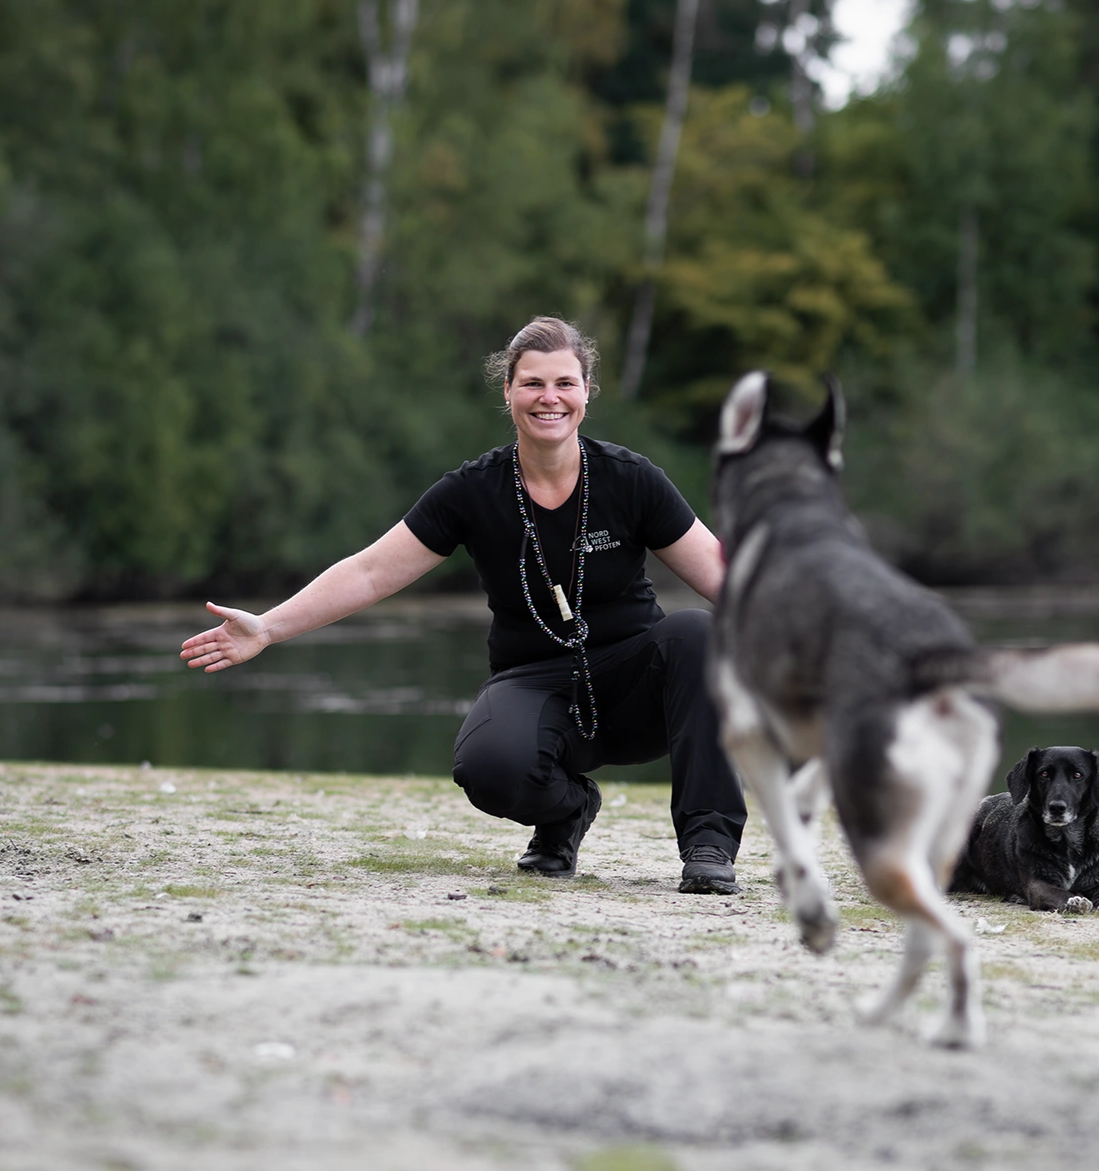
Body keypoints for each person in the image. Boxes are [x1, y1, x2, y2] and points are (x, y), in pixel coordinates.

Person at [178, 317, 747, 893]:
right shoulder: (473, 490)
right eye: (532, 384)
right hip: (534, 680)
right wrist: (268, 628)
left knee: (699, 634)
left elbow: (721, 574)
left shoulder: (632, 479)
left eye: (565, 383)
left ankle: (709, 844)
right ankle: (564, 812)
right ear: (508, 392)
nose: (549, 398)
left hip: (637, 689)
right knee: (489, 770)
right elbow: (372, 571)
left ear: (586, 391)